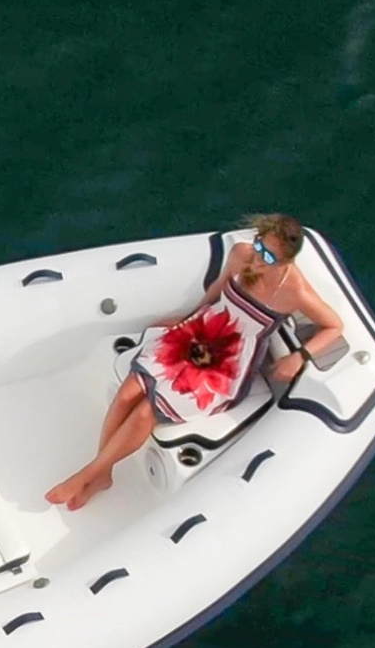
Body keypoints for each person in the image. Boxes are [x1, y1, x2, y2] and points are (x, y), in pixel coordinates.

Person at [45, 213, 345, 511]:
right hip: (202, 330)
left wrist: (299, 356)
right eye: (259, 246)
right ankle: (102, 474)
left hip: (228, 361)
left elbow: (334, 326)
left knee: (146, 412)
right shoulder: (241, 254)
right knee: (127, 393)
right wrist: (187, 318)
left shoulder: (295, 292)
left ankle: (87, 473)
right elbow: (218, 290)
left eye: (268, 256)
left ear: (285, 262)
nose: (258, 257)